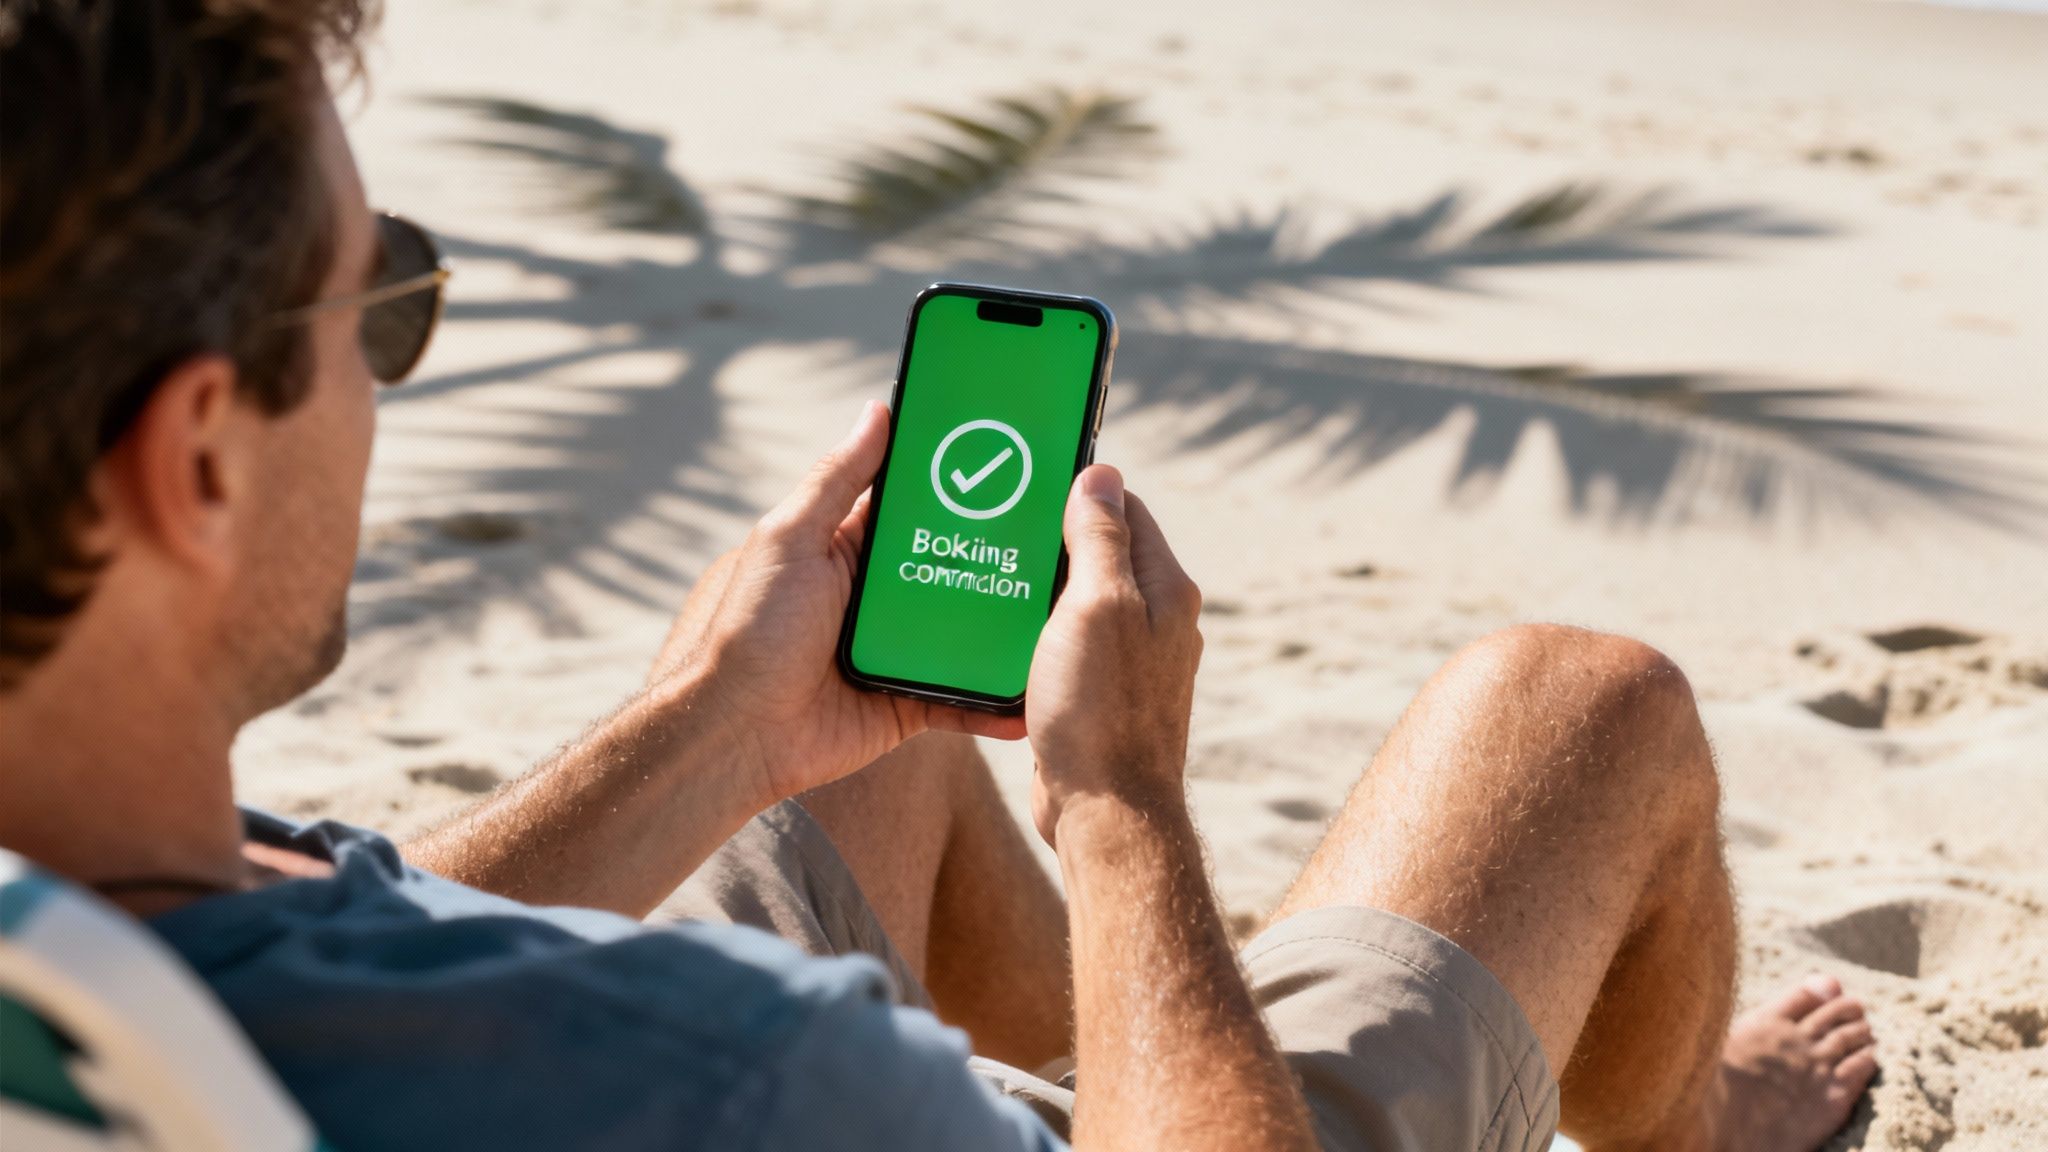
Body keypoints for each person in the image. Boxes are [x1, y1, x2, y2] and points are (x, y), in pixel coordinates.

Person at [0, 2, 1880, 1150]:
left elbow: (320, 957)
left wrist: (712, 726)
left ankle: (1153, 1028)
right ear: (197, 457)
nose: (385, 373)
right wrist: (1121, 804)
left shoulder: (74, 924)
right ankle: (1695, 1133)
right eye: (382, 307)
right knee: (1577, 704)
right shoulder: (759, 1080)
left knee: (866, 741)